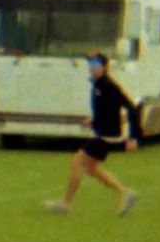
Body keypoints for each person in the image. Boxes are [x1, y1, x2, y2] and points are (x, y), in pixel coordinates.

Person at [46, 52, 140, 216]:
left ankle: (65, 204)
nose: (92, 68)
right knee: (90, 167)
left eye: (95, 65)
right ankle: (125, 193)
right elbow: (106, 110)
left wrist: (134, 137)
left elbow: (131, 108)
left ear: (104, 67)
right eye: (90, 65)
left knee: (77, 161)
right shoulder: (98, 85)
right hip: (103, 134)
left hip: (107, 136)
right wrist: (94, 120)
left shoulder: (109, 86)